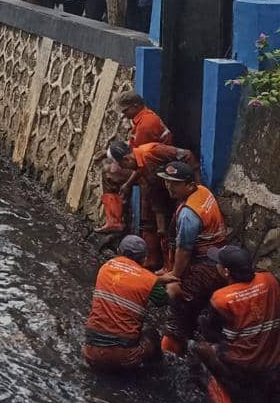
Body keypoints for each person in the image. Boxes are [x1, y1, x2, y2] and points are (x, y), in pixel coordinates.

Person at [194, 245, 280, 403]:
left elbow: (212, 334)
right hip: (273, 362)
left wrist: (203, 321)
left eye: (218, 263)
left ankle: (222, 389)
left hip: (244, 366)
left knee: (199, 348)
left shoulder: (222, 299)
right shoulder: (270, 280)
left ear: (226, 272)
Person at [156, 161, 228, 355]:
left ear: (188, 185)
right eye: (167, 182)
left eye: (174, 183)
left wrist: (175, 276)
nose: (169, 187)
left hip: (204, 266)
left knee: (178, 306)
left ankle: (171, 352)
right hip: (218, 258)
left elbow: (184, 250)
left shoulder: (189, 214)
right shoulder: (202, 192)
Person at [108, 140, 199, 269]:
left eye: (122, 165)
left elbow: (188, 155)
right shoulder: (140, 162)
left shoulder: (152, 152)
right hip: (163, 192)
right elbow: (144, 175)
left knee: (177, 230)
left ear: (126, 159)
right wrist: (128, 184)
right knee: (159, 228)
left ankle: (175, 268)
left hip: (181, 190)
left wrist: (197, 186)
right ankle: (159, 262)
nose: (123, 169)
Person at [81, 235, 166, 371]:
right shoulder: (148, 280)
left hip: (91, 354)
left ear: (119, 252)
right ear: (144, 259)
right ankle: (158, 371)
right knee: (152, 334)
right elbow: (163, 301)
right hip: (124, 358)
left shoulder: (105, 268)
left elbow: (126, 278)